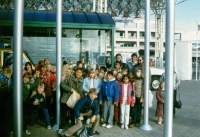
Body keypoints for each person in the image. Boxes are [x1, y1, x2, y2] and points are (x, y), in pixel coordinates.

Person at [60, 67, 84, 133]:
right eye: (77, 72)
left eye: (80, 72)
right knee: (63, 113)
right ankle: (61, 127)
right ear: (75, 72)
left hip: (73, 100)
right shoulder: (70, 77)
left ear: (82, 73)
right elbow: (62, 84)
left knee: (73, 113)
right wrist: (69, 89)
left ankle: (73, 127)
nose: (78, 73)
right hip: (65, 98)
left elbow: (80, 90)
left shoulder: (81, 80)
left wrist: (75, 91)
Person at [0, 66, 13, 137]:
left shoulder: (9, 77)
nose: (9, 77)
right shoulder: (0, 76)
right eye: (8, 76)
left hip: (7, 97)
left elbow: (10, 87)